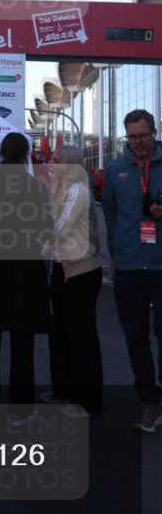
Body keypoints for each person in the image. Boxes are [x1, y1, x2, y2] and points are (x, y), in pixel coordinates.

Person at [0, 132, 53, 409]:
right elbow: (45, 229)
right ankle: (21, 406)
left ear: (2, 153)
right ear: (26, 154)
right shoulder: (36, 188)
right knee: (23, 342)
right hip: (26, 270)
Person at [102, 108, 162, 433]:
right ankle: (149, 399)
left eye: (143, 135)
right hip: (129, 265)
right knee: (135, 338)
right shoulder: (116, 169)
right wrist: (114, 252)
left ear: (154, 132)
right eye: (132, 136)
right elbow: (110, 214)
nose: (138, 141)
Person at [43, 146, 103, 417]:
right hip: (62, 269)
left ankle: (88, 403)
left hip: (81, 272)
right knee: (61, 333)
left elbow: (59, 228)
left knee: (81, 338)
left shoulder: (78, 191)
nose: (49, 163)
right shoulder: (60, 190)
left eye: (55, 160)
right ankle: (64, 390)